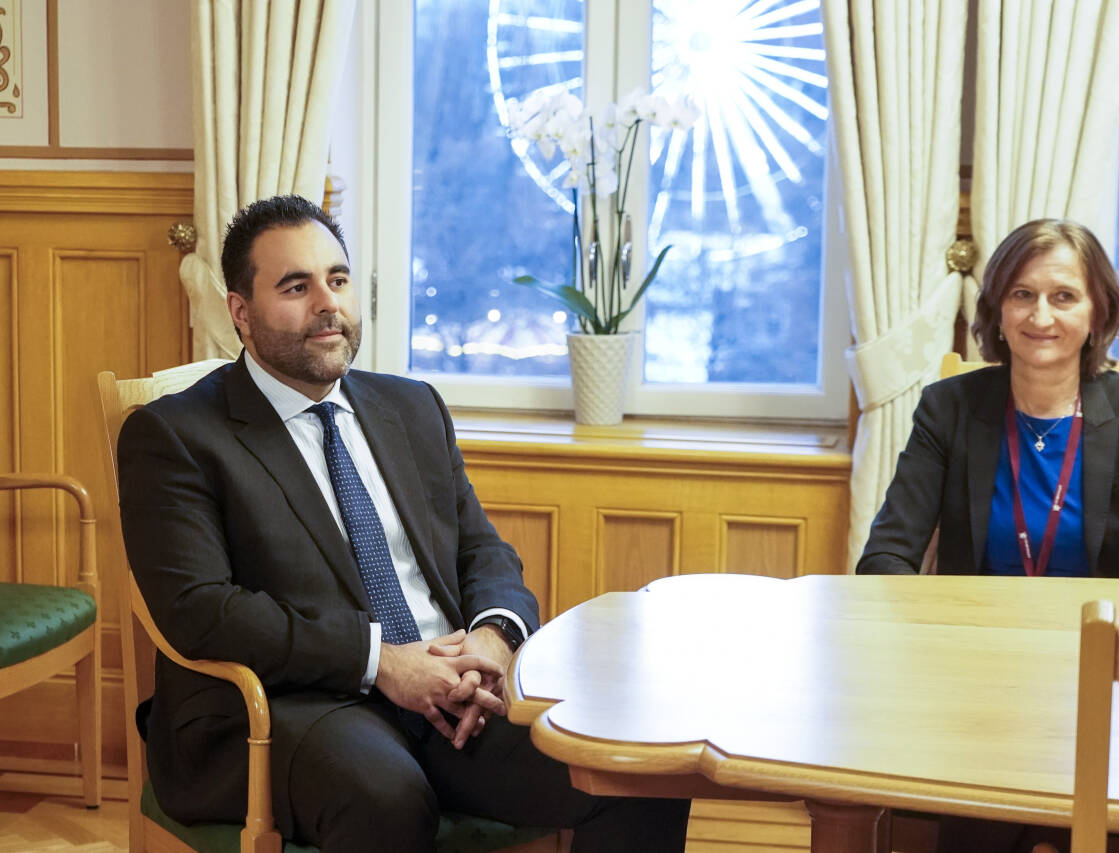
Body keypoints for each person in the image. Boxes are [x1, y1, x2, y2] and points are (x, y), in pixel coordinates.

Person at [116, 194, 690, 853]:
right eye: (295, 286)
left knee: (640, 762)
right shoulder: (176, 434)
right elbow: (201, 609)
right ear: (240, 313)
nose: (327, 303)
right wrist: (380, 662)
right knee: (385, 797)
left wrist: (493, 641)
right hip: (287, 703)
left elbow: (482, 549)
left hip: (450, 684)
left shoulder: (411, 407)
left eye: (337, 279)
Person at [857, 218, 1119, 853]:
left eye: (1063, 296)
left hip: (1115, 684)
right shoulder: (948, 408)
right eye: (1022, 294)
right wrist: (933, 654)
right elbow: (885, 557)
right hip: (976, 684)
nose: (1041, 317)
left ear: (1097, 311)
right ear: (997, 309)